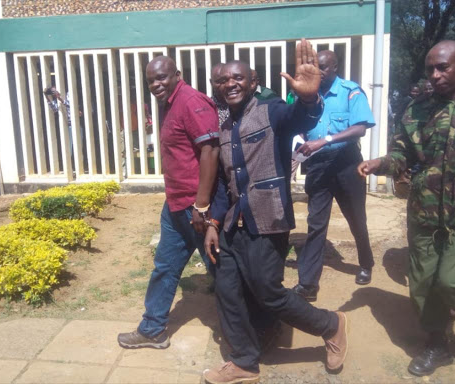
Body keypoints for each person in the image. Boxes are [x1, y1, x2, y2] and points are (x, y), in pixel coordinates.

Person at [202, 39, 349, 384]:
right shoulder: (226, 128)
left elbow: (300, 116)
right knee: (227, 288)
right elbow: (225, 185)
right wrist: (212, 222)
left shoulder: (272, 111)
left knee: (267, 291)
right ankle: (243, 362)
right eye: (224, 80)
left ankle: (332, 324)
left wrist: (310, 97)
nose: (230, 84)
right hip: (231, 225)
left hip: (268, 220)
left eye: (238, 77)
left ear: (254, 83)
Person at [357, 40, 455, 376]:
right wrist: (380, 163)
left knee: (454, 280)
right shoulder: (415, 110)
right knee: (423, 284)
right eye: (431, 68)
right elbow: (402, 157)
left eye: (444, 67)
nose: (436, 75)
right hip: (424, 213)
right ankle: (437, 345)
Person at [117, 56, 220, 349]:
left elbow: (210, 152)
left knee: (222, 268)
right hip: (175, 203)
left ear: (177, 74)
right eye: (151, 80)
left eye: (161, 77)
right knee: (164, 265)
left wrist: (201, 206)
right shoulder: (169, 103)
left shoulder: (191, 101)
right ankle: (153, 329)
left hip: (196, 206)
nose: (156, 84)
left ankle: (252, 324)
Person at [292, 50, 375, 302]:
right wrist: (296, 155)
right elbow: (297, 129)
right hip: (317, 165)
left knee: (355, 219)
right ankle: (308, 284)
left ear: (336, 68)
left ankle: (365, 262)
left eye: (324, 67)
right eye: (317, 66)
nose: (319, 71)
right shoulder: (307, 95)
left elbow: (360, 128)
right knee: (316, 224)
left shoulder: (351, 91)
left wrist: (325, 140)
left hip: (347, 163)